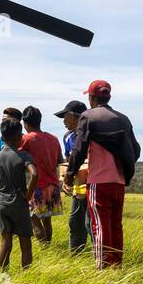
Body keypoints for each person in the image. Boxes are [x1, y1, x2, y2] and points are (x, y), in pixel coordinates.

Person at [67, 80, 140, 269]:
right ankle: (116, 266)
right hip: (118, 182)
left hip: (98, 182)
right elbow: (136, 150)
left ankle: (103, 270)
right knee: (116, 225)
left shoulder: (88, 116)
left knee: (100, 226)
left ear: (91, 98)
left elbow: (79, 150)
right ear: (109, 97)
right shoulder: (123, 119)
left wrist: (69, 173)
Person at [0, 116, 37, 271]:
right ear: (19, 136)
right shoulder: (23, 156)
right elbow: (34, 174)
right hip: (19, 204)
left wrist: (0, 191)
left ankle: (3, 276)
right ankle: (26, 277)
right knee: (25, 244)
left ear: (2, 137)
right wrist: (27, 195)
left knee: (5, 242)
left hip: (3, 203)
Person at [18, 106, 63, 245]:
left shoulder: (26, 138)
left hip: (37, 185)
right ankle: (48, 246)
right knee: (47, 220)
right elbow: (60, 161)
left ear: (25, 123)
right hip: (53, 185)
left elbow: (18, 159)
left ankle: (44, 249)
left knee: (33, 218)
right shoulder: (53, 138)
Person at [55, 99, 90, 253]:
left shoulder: (91, 133)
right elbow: (69, 161)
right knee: (75, 222)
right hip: (77, 187)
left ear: (73, 116)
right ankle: (76, 255)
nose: (63, 121)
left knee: (91, 222)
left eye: (65, 117)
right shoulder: (67, 137)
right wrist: (66, 180)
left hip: (93, 185)